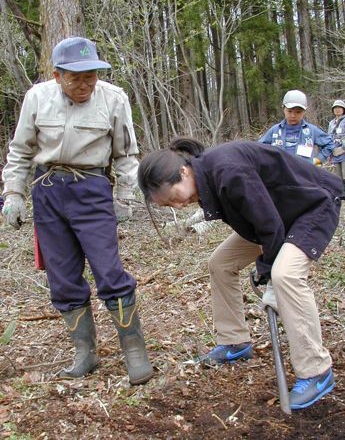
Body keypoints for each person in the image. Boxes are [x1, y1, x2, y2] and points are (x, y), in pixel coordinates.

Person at [137, 137, 342, 410]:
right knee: (220, 263)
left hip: (311, 205)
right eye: (168, 206)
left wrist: (268, 272)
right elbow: (261, 221)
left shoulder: (227, 171)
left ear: (184, 172)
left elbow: (268, 226)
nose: (177, 206)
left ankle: (317, 370)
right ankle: (235, 341)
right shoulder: (207, 177)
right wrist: (265, 263)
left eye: (174, 197)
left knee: (285, 275)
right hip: (277, 217)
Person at [1, 36, 153, 385]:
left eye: (91, 76)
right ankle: (85, 352)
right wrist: (13, 193)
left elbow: (126, 156)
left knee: (109, 271)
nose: (85, 85)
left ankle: (134, 351)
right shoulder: (37, 98)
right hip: (48, 192)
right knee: (63, 277)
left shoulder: (114, 98)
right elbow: (21, 150)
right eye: (75, 78)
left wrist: (128, 197)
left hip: (92, 189)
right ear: (57, 75)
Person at [259, 90, 334, 166]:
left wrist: (318, 160)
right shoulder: (275, 130)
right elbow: (259, 148)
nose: (293, 115)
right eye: (289, 111)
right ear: (283, 109)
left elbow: (330, 144)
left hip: (304, 174)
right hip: (280, 174)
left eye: (298, 112)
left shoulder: (311, 130)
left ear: (304, 111)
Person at [328, 100, 345, 190]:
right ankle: (341, 196)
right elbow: (329, 137)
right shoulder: (331, 123)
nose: (337, 110)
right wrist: (329, 152)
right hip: (334, 153)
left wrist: (343, 148)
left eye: (339, 108)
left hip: (344, 151)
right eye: (335, 108)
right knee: (337, 178)